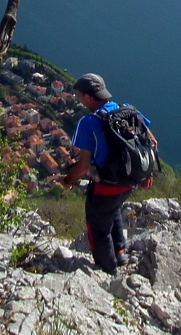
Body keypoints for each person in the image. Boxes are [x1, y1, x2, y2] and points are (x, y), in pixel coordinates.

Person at [59, 72, 156, 274]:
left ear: (87, 97)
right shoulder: (126, 110)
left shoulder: (88, 123)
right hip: (130, 181)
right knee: (113, 211)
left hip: (106, 186)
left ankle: (108, 270)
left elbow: (83, 167)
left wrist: (67, 180)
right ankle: (120, 253)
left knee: (97, 228)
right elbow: (151, 143)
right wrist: (147, 173)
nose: (79, 100)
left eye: (79, 96)